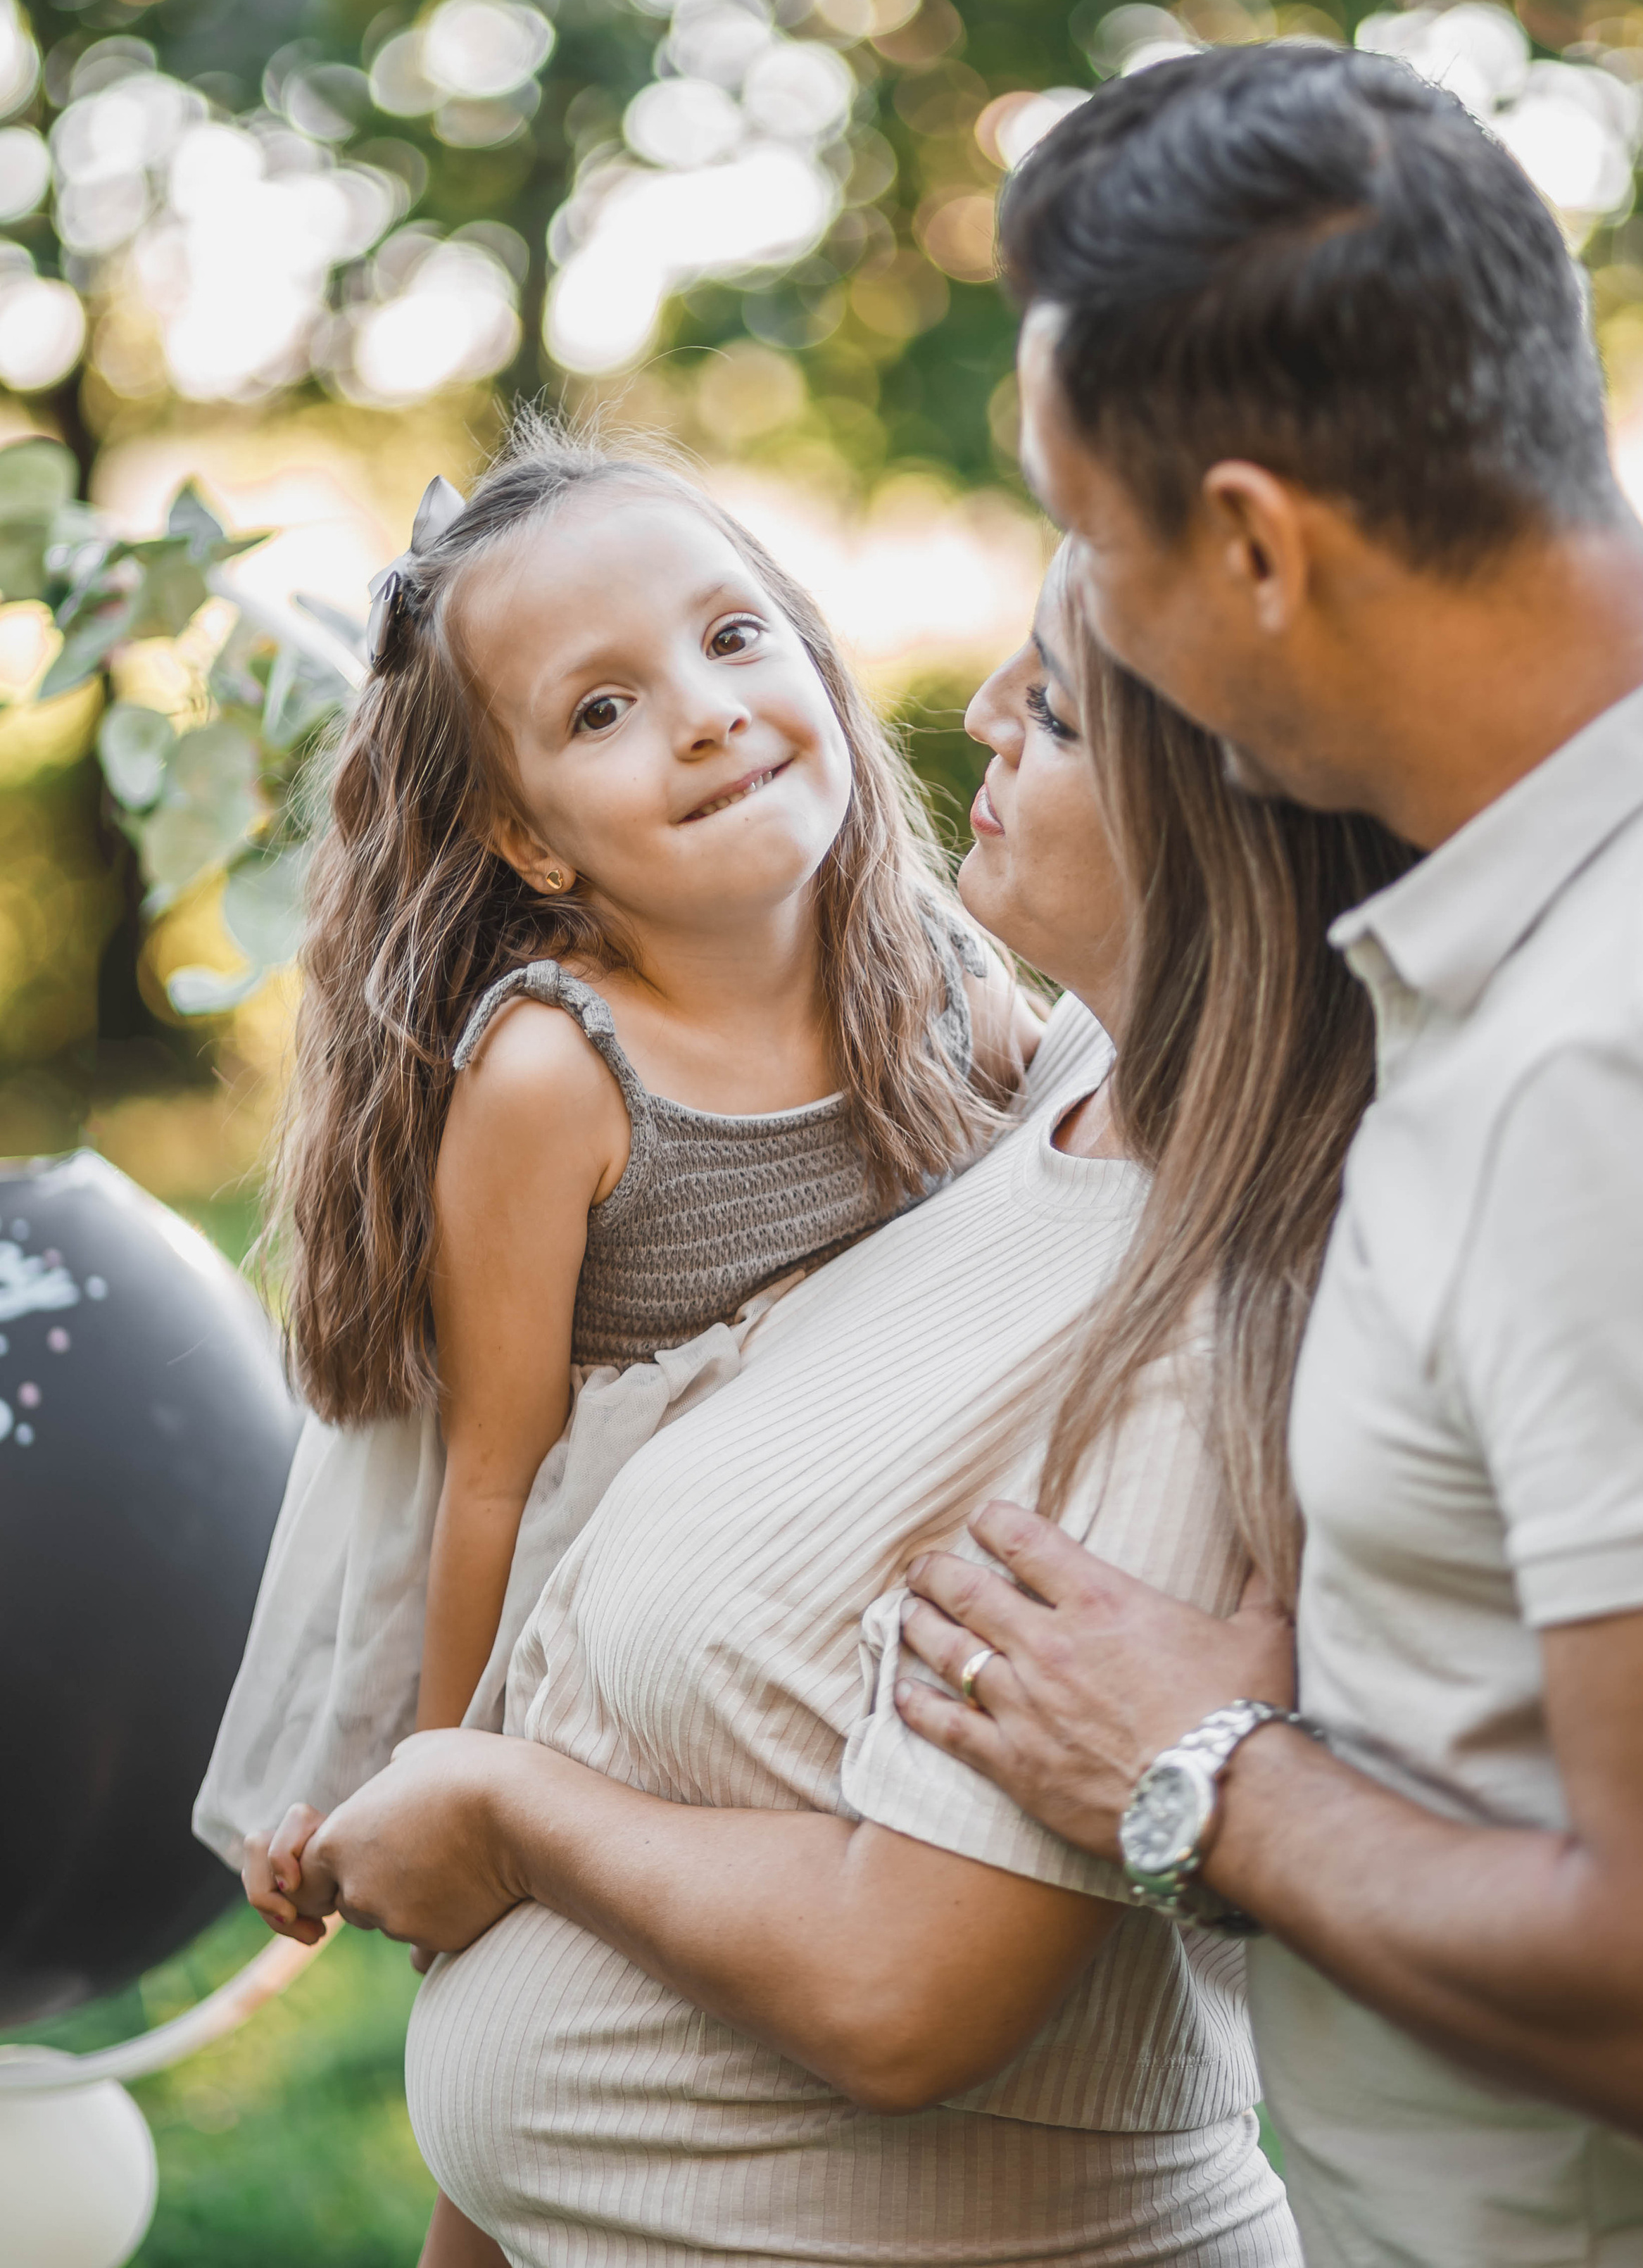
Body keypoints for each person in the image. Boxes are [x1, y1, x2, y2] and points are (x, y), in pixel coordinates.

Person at [891, 42, 1643, 2266]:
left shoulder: (1632, 1051)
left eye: (1096, 550)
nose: (1084, 635)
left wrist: (1206, 1776)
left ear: (1257, 546)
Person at [248, 558, 1400, 2268]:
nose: (982, 711)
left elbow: (902, 1988)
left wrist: (494, 1808)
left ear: (1235, 828)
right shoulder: (1074, 1074)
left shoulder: (1211, 1293)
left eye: (1060, 709)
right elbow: (514, 1500)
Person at [194, 426, 1031, 1883]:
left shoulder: (946, 975)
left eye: (731, 636)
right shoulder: (559, 1075)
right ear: (528, 840)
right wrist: (441, 1779)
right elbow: (493, 1476)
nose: (705, 716)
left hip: (906, 1587)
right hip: (655, 1642)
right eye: (600, 711)